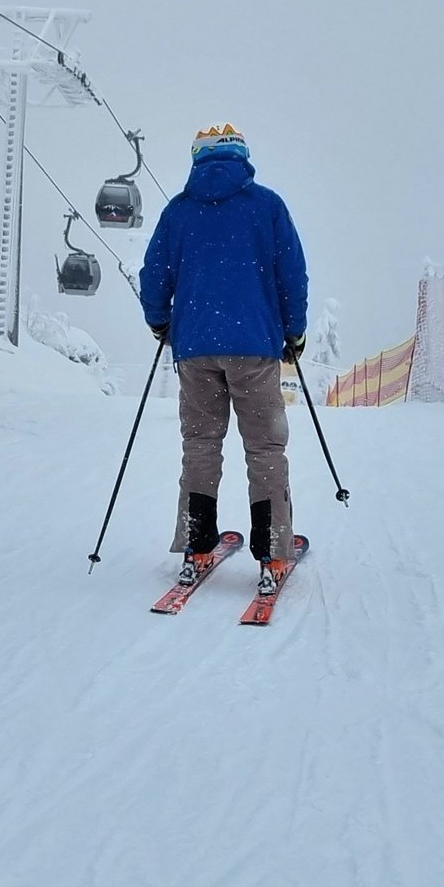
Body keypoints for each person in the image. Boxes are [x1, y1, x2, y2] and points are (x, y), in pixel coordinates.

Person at [138, 123, 309, 594]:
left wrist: (161, 323)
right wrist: (293, 331)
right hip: (254, 346)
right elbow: (292, 274)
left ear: (197, 160)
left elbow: (153, 275)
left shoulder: (179, 212)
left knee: (200, 446)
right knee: (265, 449)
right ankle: (273, 551)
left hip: (194, 351)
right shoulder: (267, 207)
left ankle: (196, 546)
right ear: (242, 158)